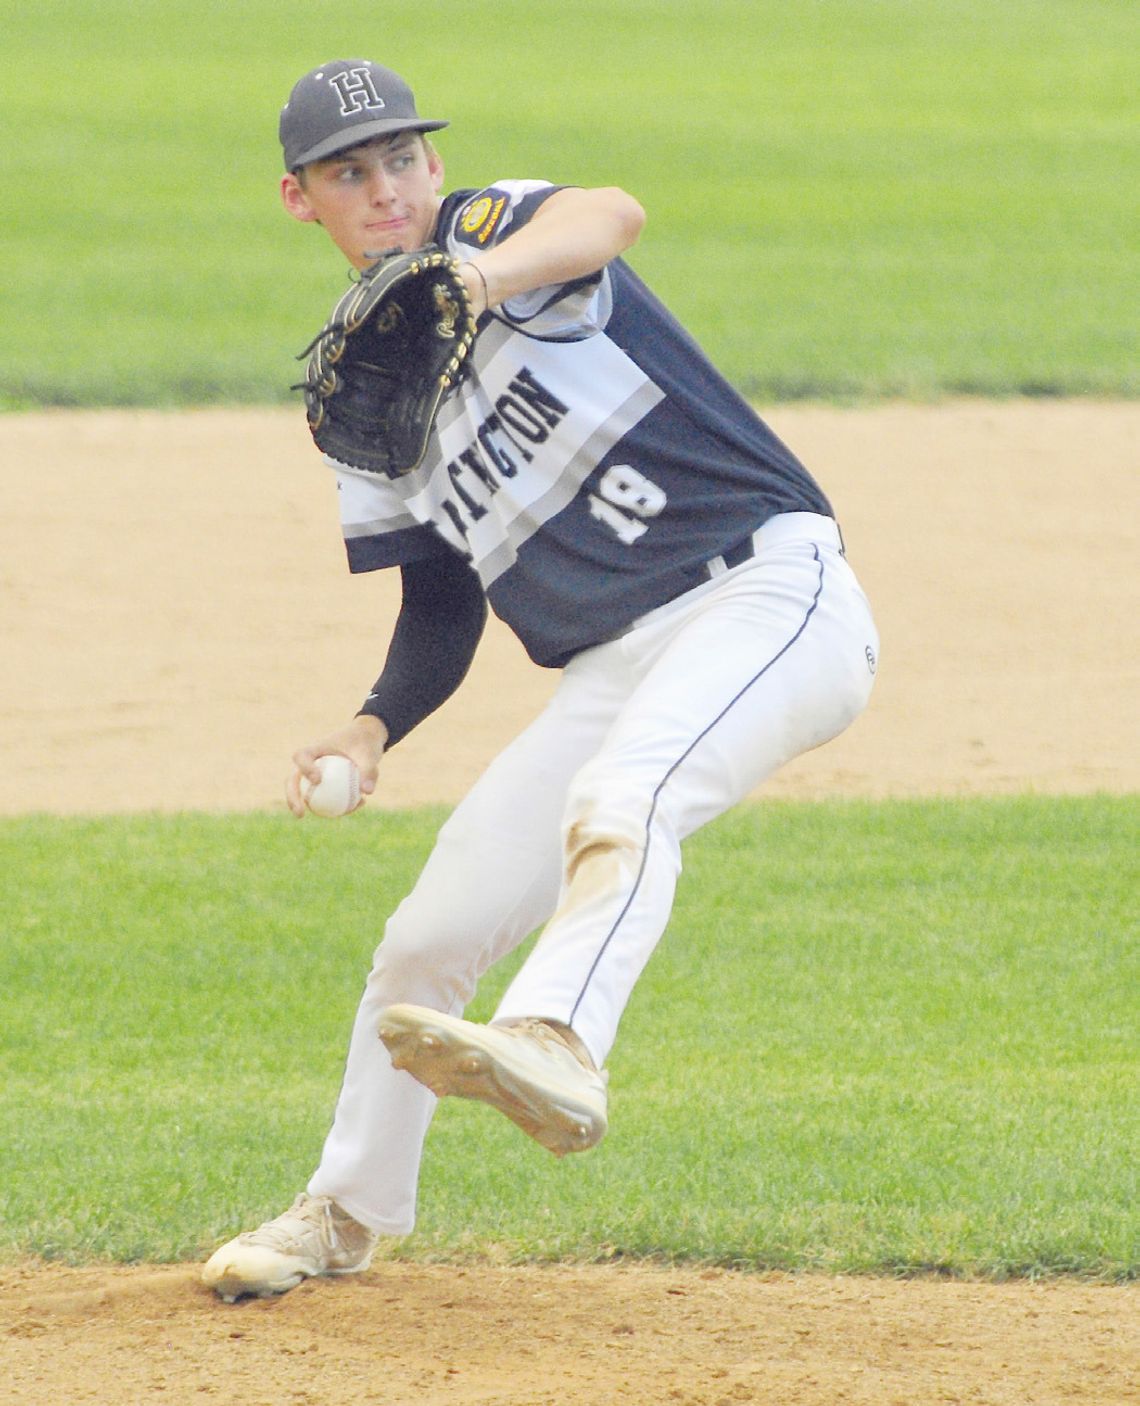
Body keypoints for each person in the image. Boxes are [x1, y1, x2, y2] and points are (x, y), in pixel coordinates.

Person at [202, 57, 879, 1301]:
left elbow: (608, 214)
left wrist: (476, 275)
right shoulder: (365, 398)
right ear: (302, 199)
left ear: (436, 167)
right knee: (426, 940)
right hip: (614, 665)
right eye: (350, 172)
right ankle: (343, 1212)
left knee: (626, 796)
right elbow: (443, 597)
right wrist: (370, 725)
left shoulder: (490, 232)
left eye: (401, 158)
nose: (386, 187)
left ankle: (560, 1035)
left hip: (768, 595)